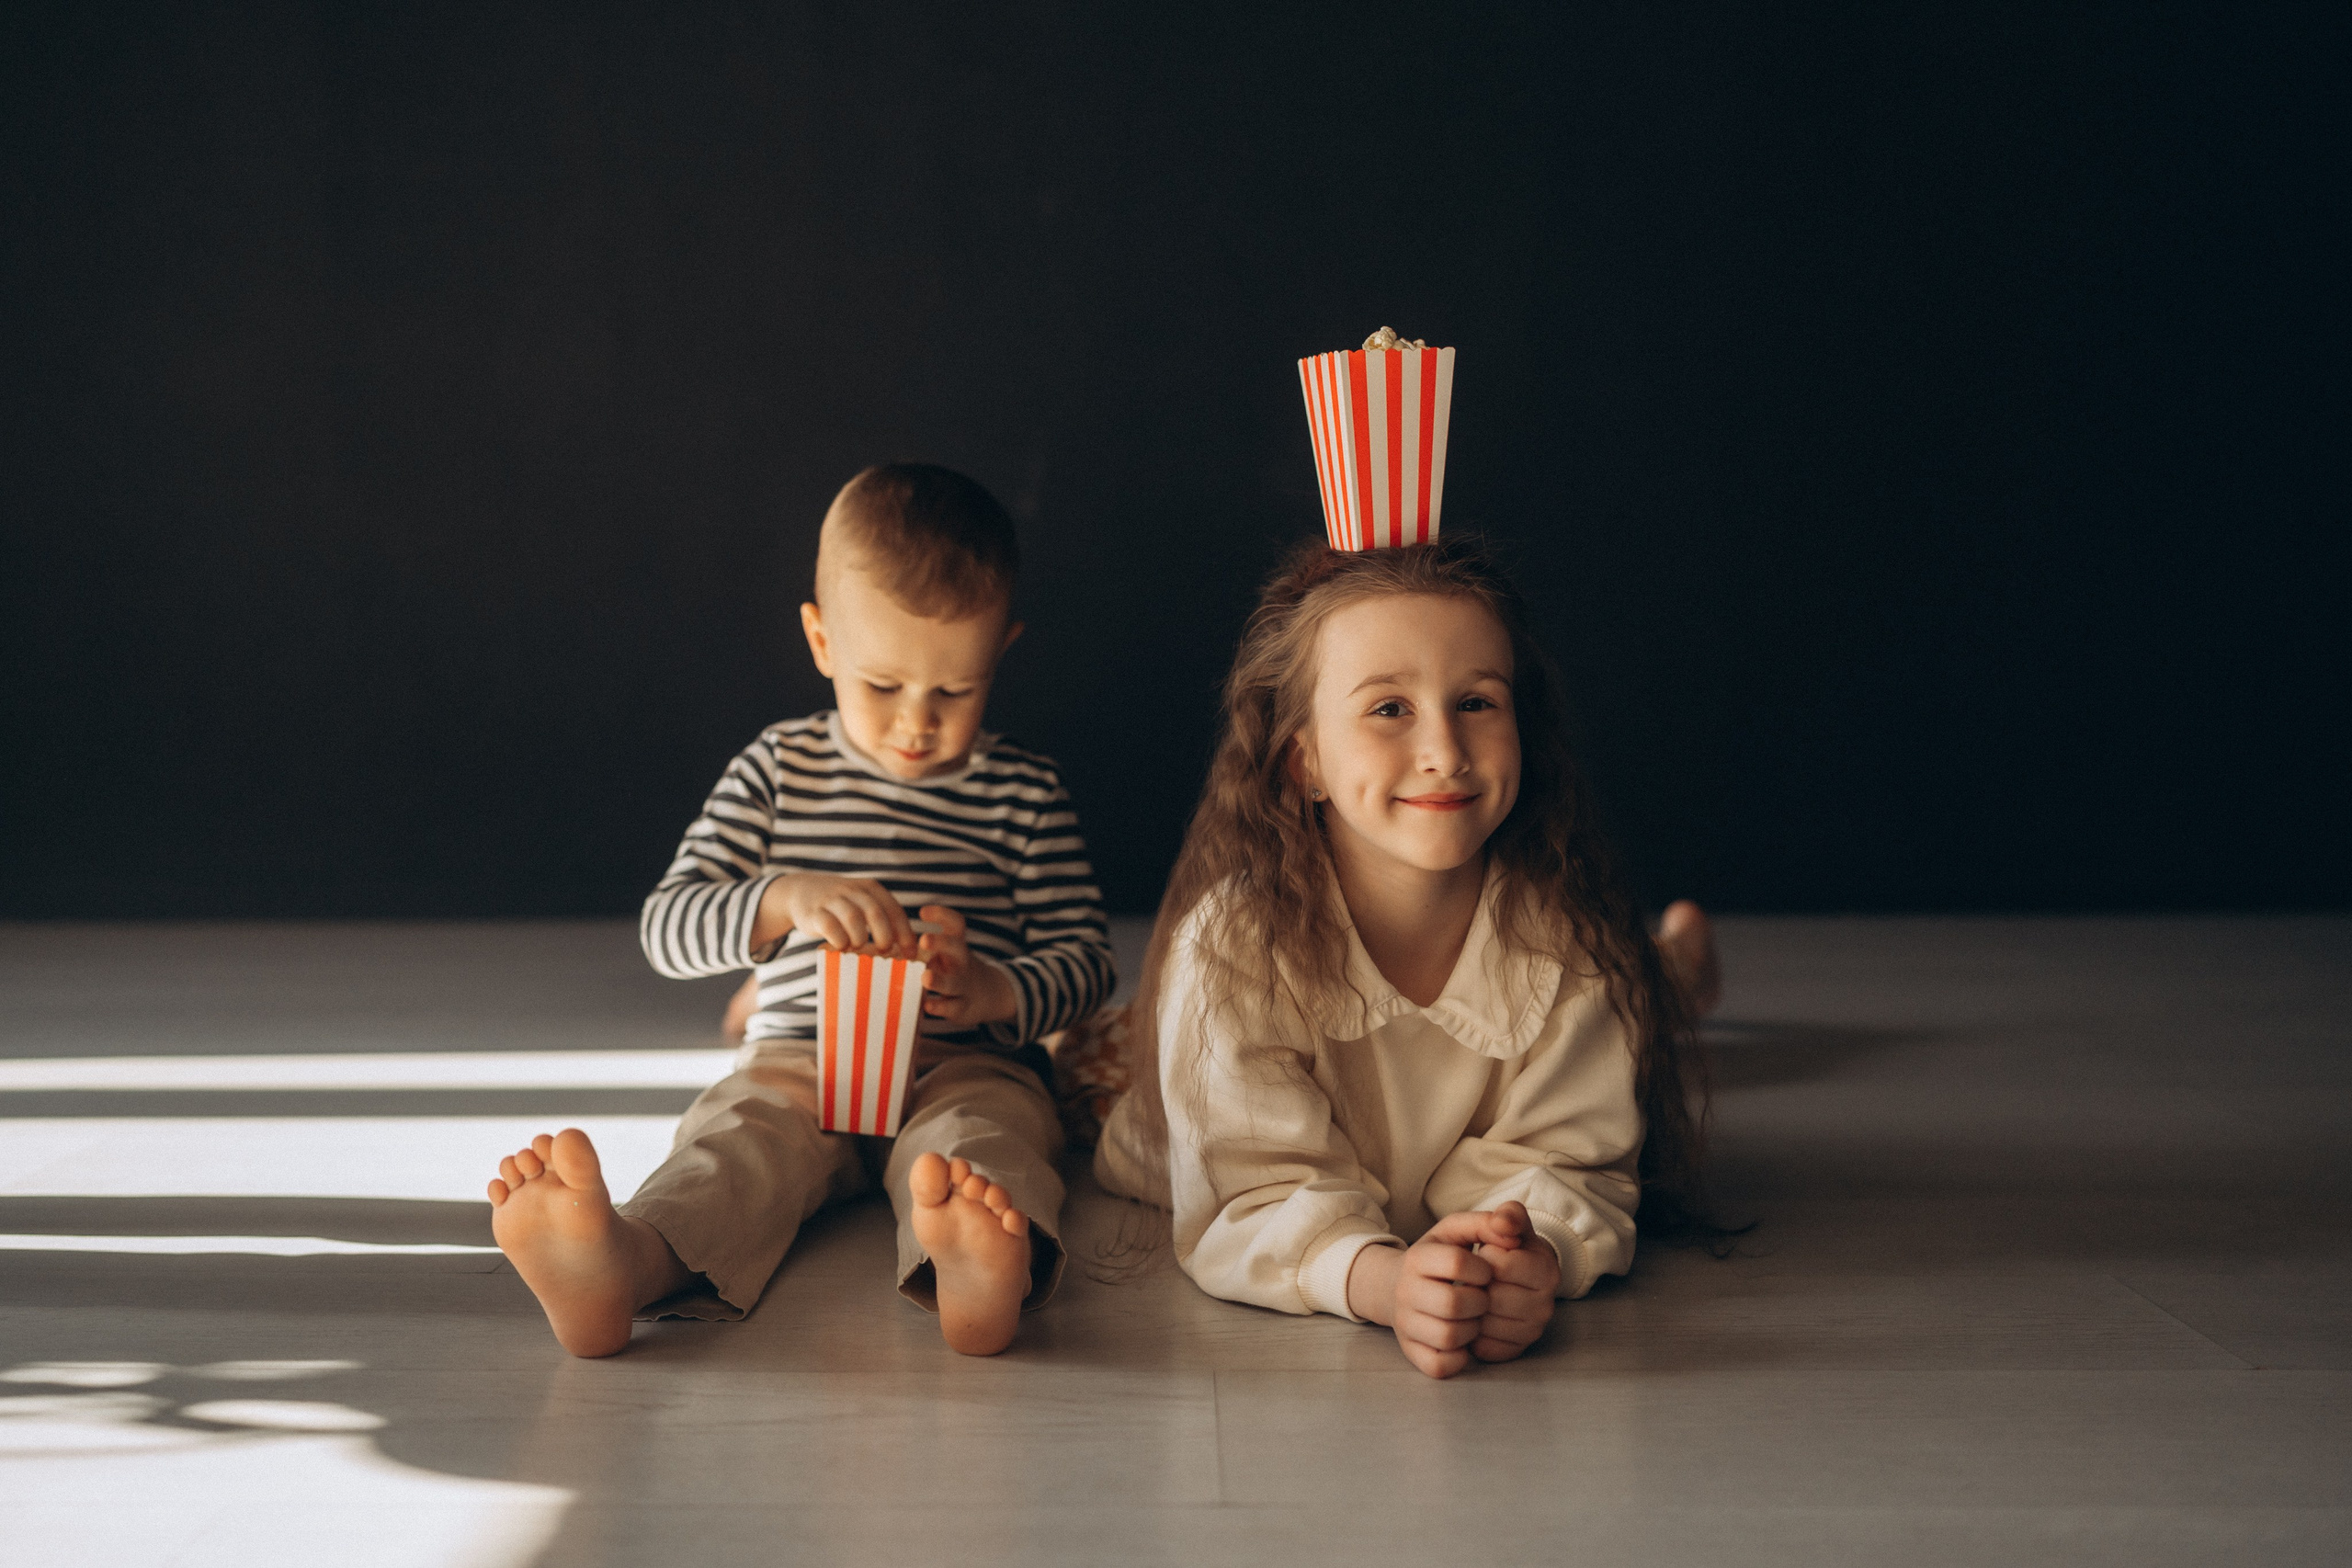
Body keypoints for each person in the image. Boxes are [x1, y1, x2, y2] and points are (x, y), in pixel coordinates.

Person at [487, 464, 1115, 1358]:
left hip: (959, 1060)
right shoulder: (778, 769)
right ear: (821, 640)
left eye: (954, 691)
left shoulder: (1023, 792)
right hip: (802, 1057)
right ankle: (624, 1262)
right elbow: (668, 926)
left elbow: (1085, 960)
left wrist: (993, 989)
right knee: (736, 1145)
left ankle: (977, 1270)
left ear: (1000, 651)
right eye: (883, 683)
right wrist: (781, 897)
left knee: (985, 1144)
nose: (915, 722)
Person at [1095, 535, 1718, 1379]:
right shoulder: (1231, 952)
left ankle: (1673, 966)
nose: (1446, 753)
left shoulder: (1570, 941)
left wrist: (1523, 1253)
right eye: (1389, 708)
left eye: (1476, 703)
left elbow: (1574, 1162)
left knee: (1637, 987)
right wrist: (1384, 1281)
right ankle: (1676, 966)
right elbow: (1252, 1193)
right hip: (1127, 1087)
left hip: (1589, 981)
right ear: (1303, 758)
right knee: (1070, 1060)